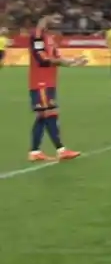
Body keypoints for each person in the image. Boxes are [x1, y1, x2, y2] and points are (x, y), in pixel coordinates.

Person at [28, 12, 88, 162]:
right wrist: (65, 62)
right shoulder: (37, 36)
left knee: (43, 116)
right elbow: (42, 59)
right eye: (55, 18)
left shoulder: (50, 38)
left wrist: (73, 62)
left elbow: (56, 59)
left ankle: (35, 152)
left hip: (49, 82)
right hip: (40, 82)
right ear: (45, 19)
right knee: (50, 114)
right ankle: (61, 150)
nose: (58, 22)